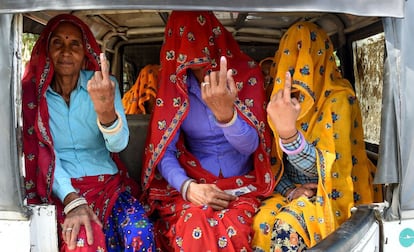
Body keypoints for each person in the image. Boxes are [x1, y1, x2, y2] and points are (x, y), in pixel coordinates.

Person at [140, 11, 275, 251]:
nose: (203, 66)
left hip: (243, 185)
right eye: (193, 59)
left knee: (238, 230)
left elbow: (252, 147)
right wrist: (188, 188)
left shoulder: (247, 75)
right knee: (193, 224)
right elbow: (164, 150)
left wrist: (226, 116)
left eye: (206, 54)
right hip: (195, 184)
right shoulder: (173, 85)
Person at [22, 14, 155, 251]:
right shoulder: (32, 96)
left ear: (85, 52)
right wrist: (71, 198)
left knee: (140, 230)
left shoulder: (104, 84)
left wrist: (106, 112)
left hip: (108, 185)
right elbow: (40, 154)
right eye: (58, 43)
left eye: (75, 44)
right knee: (82, 241)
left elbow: (118, 145)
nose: (66, 51)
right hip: (60, 188)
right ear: (46, 49)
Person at [252, 21, 378, 251]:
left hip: (331, 192)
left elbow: (331, 170)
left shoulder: (338, 99)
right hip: (291, 189)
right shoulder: (278, 99)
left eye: (303, 60)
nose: (296, 69)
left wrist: (289, 134)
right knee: (261, 221)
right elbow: (271, 164)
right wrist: (290, 190)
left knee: (286, 226)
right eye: (290, 57)